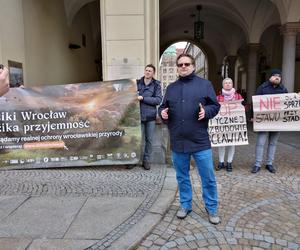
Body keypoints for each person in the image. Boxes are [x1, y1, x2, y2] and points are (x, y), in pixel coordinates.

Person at [159, 54, 221, 224]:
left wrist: (206, 112)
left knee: (207, 176)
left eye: (187, 64)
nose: (183, 66)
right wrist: (162, 113)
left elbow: (215, 106)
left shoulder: (205, 85)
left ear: (193, 66)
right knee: (182, 176)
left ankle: (212, 208)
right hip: (178, 140)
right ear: (177, 67)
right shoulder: (171, 88)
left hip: (200, 140)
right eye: (180, 64)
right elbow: (164, 108)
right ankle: (185, 204)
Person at [251, 69, 288, 174]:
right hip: (263, 121)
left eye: (279, 76)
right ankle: (257, 164)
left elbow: (288, 103)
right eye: (275, 76)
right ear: (270, 77)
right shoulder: (262, 88)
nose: (277, 78)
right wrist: (253, 116)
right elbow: (255, 103)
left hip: (277, 121)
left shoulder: (283, 89)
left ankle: (269, 163)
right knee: (260, 143)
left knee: (273, 143)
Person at [136, 64, 162, 170]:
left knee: (149, 140)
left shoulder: (156, 85)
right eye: (146, 70)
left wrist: (143, 98)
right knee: (137, 139)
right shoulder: (137, 83)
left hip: (150, 117)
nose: (147, 72)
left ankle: (146, 161)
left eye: (150, 71)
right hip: (138, 115)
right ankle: (134, 160)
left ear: (153, 73)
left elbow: (158, 100)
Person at [215, 77, 243, 172]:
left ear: (232, 84)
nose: (227, 84)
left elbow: (242, 109)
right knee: (221, 143)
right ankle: (221, 162)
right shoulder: (218, 97)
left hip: (233, 124)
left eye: (229, 83)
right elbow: (215, 109)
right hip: (222, 124)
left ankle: (229, 162)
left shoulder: (238, 96)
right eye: (226, 83)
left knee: (232, 143)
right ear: (223, 85)